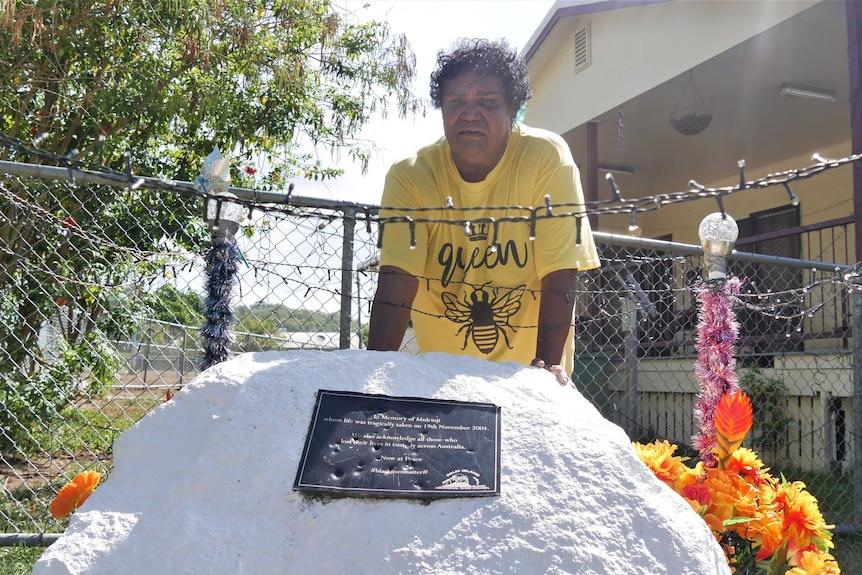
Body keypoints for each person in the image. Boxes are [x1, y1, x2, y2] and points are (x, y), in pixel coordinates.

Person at [367, 38, 600, 386]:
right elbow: (397, 282)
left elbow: (560, 276)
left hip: (526, 377)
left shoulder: (545, 158)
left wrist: (543, 373)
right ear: (442, 109)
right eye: (456, 101)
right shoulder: (411, 176)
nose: (470, 113)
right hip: (444, 382)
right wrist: (368, 379)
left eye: (488, 102)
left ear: (513, 109)